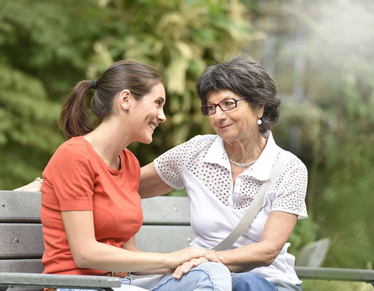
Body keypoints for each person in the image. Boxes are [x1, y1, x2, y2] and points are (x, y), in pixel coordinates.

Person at [38, 60, 231, 291]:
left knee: (210, 273)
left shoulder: (128, 162)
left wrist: (184, 262)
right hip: (76, 286)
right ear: (126, 100)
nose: (162, 116)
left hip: (121, 284)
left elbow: (130, 254)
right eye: (158, 104)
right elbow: (84, 253)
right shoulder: (74, 156)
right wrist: (170, 258)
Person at [138, 55, 308, 291]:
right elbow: (126, 184)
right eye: (211, 107)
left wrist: (207, 259)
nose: (218, 116)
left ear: (259, 106)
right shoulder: (194, 152)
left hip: (267, 283)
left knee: (247, 285)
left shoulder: (290, 168)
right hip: (204, 280)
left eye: (228, 104)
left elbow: (268, 250)